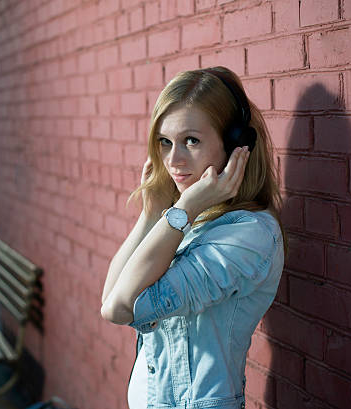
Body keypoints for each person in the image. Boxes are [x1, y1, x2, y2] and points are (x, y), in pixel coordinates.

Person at [100, 66, 286, 409]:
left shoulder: (247, 236)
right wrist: (150, 215)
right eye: (165, 142)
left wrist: (183, 208)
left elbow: (119, 307)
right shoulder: (186, 223)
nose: (174, 160)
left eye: (192, 141)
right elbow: (109, 294)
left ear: (235, 146)